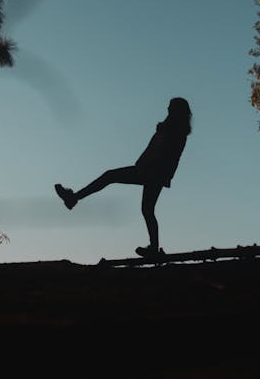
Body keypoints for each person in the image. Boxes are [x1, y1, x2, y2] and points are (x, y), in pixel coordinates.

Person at [54, 97, 192, 258]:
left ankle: (74, 198)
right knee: (147, 209)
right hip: (152, 172)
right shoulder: (171, 130)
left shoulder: (175, 132)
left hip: (151, 172)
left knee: (110, 176)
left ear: (176, 111)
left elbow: (164, 154)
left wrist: (146, 166)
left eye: (170, 107)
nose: (167, 109)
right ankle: (154, 248)